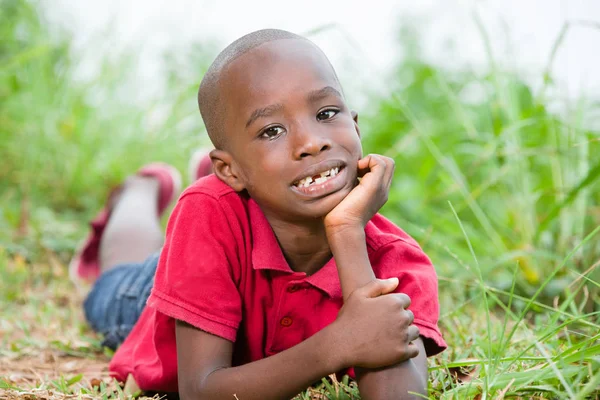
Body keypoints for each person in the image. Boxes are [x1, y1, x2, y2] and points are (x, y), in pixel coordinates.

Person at [73, 29, 447, 399]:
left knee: (231, 204)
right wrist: (339, 344)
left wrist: (347, 231)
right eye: (272, 131)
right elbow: (200, 390)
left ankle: (256, 177)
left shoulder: (397, 261)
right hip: (153, 296)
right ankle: (142, 188)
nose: (311, 142)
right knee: (120, 279)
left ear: (355, 125)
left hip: (225, 243)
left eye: (327, 112)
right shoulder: (205, 213)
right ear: (230, 170)